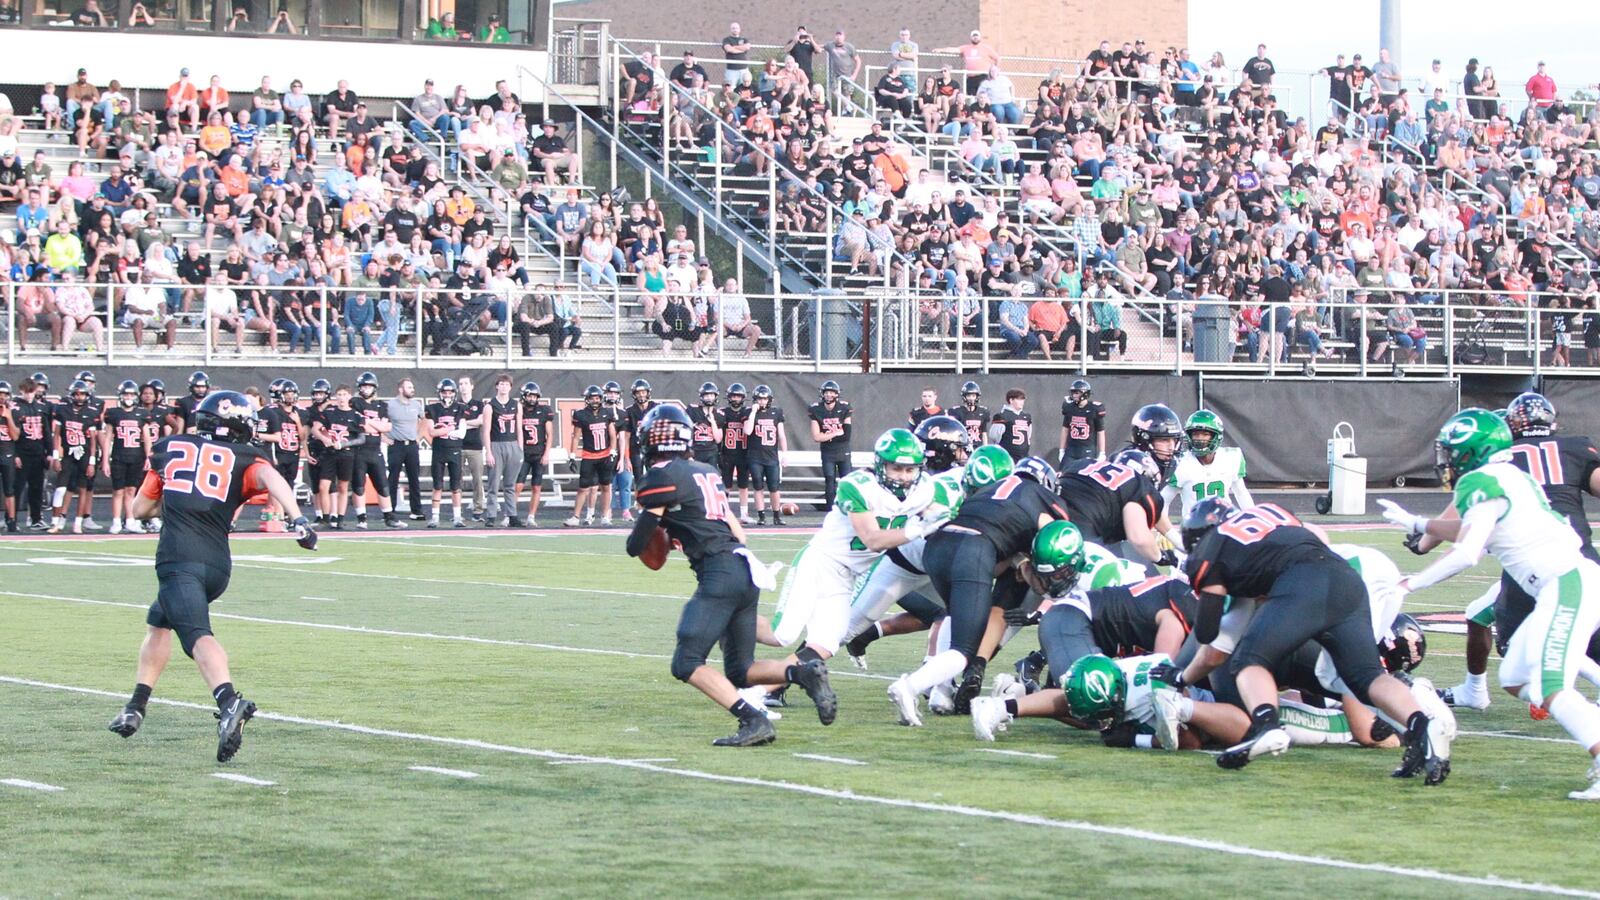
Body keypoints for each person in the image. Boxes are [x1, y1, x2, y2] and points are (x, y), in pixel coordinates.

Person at [107, 391, 316, 763]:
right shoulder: (248, 456)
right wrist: (297, 518)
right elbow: (273, 477)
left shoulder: (170, 447)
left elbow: (139, 509)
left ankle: (228, 700)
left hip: (178, 559)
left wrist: (171, 495)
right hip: (217, 565)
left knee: (197, 634)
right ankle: (135, 705)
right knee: (159, 621)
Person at [1177, 498, 1452, 780]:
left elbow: (1209, 635)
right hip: (1346, 579)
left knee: (1249, 661)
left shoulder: (1210, 552)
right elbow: (1316, 536)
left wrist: (1181, 676)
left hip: (1304, 583)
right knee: (1366, 677)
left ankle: (1266, 725)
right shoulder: (1268, 515)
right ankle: (1422, 726)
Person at [627, 405, 826, 745]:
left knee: (686, 662)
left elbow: (637, 547)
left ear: (649, 440)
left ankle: (754, 720)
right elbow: (740, 533)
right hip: (745, 568)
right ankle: (800, 671)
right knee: (740, 670)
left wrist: (653, 525)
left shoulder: (660, 477)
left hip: (719, 572)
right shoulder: (705, 470)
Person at [1434, 394, 1600, 715]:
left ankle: (1554, 696)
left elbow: (1461, 529)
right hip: (1576, 558)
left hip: (1537, 566)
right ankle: (1477, 690)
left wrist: (1421, 535)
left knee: (1523, 649)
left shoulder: (1499, 462)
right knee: (1480, 614)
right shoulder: (1573, 446)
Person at [888, 456, 1068, 725]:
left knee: (953, 614)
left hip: (937, 547)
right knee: (963, 649)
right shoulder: (1042, 497)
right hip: (973, 551)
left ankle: (941, 691)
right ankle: (911, 686)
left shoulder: (988, 489)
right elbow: (1054, 542)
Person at [771, 428, 944, 705]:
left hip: (858, 572)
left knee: (830, 639)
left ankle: (770, 686)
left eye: (910, 469)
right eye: (896, 468)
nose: (903, 476)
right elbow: (873, 539)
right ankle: (738, 633)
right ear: (881, 464)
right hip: (831, 563)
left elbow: (944, 510)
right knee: (783, 634)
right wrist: (919, 529)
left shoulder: (928, 489)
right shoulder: (859, 485)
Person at [1162, 409, 1254, 518]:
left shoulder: (1231, 458)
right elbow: (1164, 501)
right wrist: (1166, 532)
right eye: (1196, 434)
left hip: (1223, 523)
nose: (1200, 439)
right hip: (1194, 526)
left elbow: (1241, 493)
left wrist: (1253, 519)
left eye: (1205, 434)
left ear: (1216, 436)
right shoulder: (1181, 463)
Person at [350, 372, 403, 529]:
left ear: (375, 387)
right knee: (359, 485)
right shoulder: (355, 402)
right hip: (359, 449)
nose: (366, 389)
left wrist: (370, 423)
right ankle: (361, 518)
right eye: (364, 386)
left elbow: (387, 427)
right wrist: (375, 424)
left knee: (382, 484)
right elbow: (361, 424)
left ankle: (389, 516)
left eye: (369, 386)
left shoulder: (381, 405)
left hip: (375, 449)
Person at [47, 380, 100, 534]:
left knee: (82, 489)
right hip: (68, 453)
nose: (79, 397)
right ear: (71, 395)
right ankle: (55, 522)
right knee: (60, 489)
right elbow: (56, 435)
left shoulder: (91, 412)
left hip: (84, 454)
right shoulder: (62, 410)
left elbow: (92, 441)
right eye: (76, 394)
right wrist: (56, 456)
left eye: (82, 394)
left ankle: (78, 522)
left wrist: (91, 462)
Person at [101, 380, 153, 536]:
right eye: (126, 394)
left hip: (136, 456)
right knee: (118, 491)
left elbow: (147, 437)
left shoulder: (142, 414)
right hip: (119, 456)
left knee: (131, 490)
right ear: (120, 396)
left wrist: (148, 457)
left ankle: (130, 520)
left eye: (131, 394)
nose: (128, 397)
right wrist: (105, 460)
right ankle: (116, 521)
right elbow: (108, 437)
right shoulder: (113, 413)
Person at [566, 385, 616, 528]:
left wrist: (613, 451)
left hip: (605, 455)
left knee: (606, 486)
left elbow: (612, 435)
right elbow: (576, 437)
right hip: (589, 455)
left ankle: (605, 516)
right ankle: (576, 516)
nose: (595, 400)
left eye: (597, 398)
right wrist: (572, 455)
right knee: (583, 488)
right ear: (587, 399)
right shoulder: (581, 415)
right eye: (592, 398)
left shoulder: (607, 413)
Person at [422, 378, 469, 528]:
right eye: (445, 392)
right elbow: (432, 432)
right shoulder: (432, 409)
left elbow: (462, 433)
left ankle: (457, 517)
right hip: (439, 450)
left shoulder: (460, 408)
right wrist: (450, 429)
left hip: (455, 450)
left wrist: (445, 431)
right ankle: (435, 517)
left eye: (450, 392)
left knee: (456, 486)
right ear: (439, 393)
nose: (447, 395)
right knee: (437, 485)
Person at [743, 385, 787, 525]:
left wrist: (785, 454)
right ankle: (761, 516)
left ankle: (776, 515)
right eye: (759, 399)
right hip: (755, 456)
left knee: (774, 488)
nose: (762, 402)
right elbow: (748, 431)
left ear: (769, 399)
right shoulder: (749, 412)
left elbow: (781, 435)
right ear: (755, 400)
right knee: (758, 486)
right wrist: (753, 413)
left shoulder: (776, 412)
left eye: (764, 399)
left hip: (771, 457)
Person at [483, 375, 523, 528]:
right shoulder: (490, 406)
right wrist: (489, 451)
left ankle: (512, 515)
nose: (504, 387)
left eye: (507, 384)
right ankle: (491, 515)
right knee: (493, 483)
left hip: (512, 444)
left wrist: (520, 449)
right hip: (496, 444)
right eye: (501, 384)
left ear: (510, 387)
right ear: (497, 386)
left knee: (510, 484)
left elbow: (519, 428)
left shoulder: (516, 405)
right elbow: (486, 431)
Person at [386, 378, 426, 520]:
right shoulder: (390, 405)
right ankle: (390, 511)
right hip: (396, 445)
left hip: (412, 446)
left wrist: (419, 436)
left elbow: (424, 420)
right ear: (400, 389)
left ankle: (417, 510)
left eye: (412, 387)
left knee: (414, 479)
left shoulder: (416, 404)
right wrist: (385, 439)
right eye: (409, 387)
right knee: (393, 479)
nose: (412, 389)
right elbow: (381, 422)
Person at [808, 380, 852, 509]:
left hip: (843, 450)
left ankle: (848, 506)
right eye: (826, 392)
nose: (828, 395)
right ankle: (831, 509)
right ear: (822, 393)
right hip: (828, 451)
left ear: (837, 394)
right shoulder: (816, 409)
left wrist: (826, 436)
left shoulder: (844, 408)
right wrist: (835, 433)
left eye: (832, 392)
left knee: (846, 479)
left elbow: (846, 435)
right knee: (829, 479)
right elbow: (816, 437)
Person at [515, 382, 552, 526]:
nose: (532, 398)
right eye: (530, 395)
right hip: (523, 454)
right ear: (524, 396)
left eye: (535, 396)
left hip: (538, 453)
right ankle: (510, 515)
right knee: (517, 486)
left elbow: (550, 434)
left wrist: (547, 454)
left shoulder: (544, 411)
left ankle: (531, 516)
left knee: (536, 487)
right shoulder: (519, 411)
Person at [717, 383, 754, 524]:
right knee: (726, 485)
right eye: (733, 396)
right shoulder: (722, 412)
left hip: (744, 453)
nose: (736, 399)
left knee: (743, 485)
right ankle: (724, 513)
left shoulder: (747, 412)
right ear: (728, 397)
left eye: (738, 396)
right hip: (727, 453)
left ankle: (744, 514)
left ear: (743, 397)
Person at [456, 376, 488, 521]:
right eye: (461, 384)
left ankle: (478, 510)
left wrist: (463, 424)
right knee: (457, 480)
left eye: (466, 383)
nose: (463, 386)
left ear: (472, 386)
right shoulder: (455, 404)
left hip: (475, 446)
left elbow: (480, 421)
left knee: (477, 480)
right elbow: (454, 423)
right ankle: (458, 512)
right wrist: (468, 424)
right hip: (458, 445)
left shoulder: (478, 404)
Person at [1058, 378, 1105, 464]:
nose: (1074, 395)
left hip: (1087, 450)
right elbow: (1065, 429)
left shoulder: (1094, 409)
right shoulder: (1069, 407)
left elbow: (1100, 432)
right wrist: (1061, 449)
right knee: (1064, 474)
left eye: (1076, 392)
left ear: (1085, 393)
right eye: (1073, 392)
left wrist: (1102, 452)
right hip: (1071, 450)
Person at [989, 388, 1032, 460]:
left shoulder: (1026, 417)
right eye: (1019, 399)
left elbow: (1028, 436)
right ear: (1011, 400)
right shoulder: (1002, 416)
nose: (1022, 402)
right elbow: (994, 436)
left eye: (1023, 399)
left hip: (1023, 456)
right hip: (1007, 456)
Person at [688, 382, 722, 467]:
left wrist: (713, 421)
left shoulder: (719, 414)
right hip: (696, 451)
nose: (709, 398)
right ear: (702, 397)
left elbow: (718, 439)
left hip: (711, 452)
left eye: (711, 395)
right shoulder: (693, 411)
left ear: (715, 396)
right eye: (706, 395)